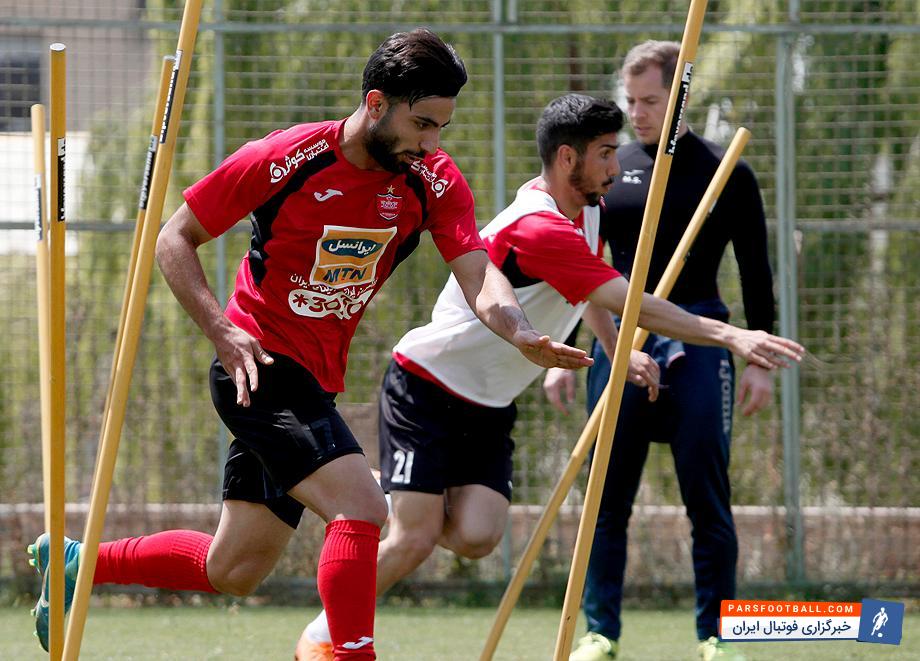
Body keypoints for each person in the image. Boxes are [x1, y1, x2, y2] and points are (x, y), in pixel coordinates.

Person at [25, 30, 595, 659]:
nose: (433, 143)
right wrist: (221, 329)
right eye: (423, 124)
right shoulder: (285, 158)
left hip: (315, 381)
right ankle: (350, 654)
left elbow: (476, 269)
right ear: (376, 104)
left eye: (442, 127)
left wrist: (518, 332)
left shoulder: (431, 179)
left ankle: (79, 565)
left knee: (234, 568)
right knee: (362, 507)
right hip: (257, 366)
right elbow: (173, 238)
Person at [296, 93, 803, 660]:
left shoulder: (586, 209)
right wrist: (733, 335)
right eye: (607, 154)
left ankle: (393, 487)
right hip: (427, 384)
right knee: (412, 539)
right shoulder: (538, 227)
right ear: (568, 159)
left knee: (477, 536)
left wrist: (618, 349)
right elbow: (625, 297)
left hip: (489, 402)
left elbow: (585, 292)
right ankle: (323, 637)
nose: (618, 167)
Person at [543, 41, 778, 661]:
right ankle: (601, 631)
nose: (639, 112)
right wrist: (568, 347)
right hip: (620, 341)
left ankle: (717, 634)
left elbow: (756, 273)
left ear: (681, 95)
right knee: (605, 497)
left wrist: (758, 365)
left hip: (702, 337)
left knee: (707, 495)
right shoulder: (607, 172)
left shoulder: (724, 170)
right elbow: (579, 268)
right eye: (632, 100)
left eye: (652, 100)